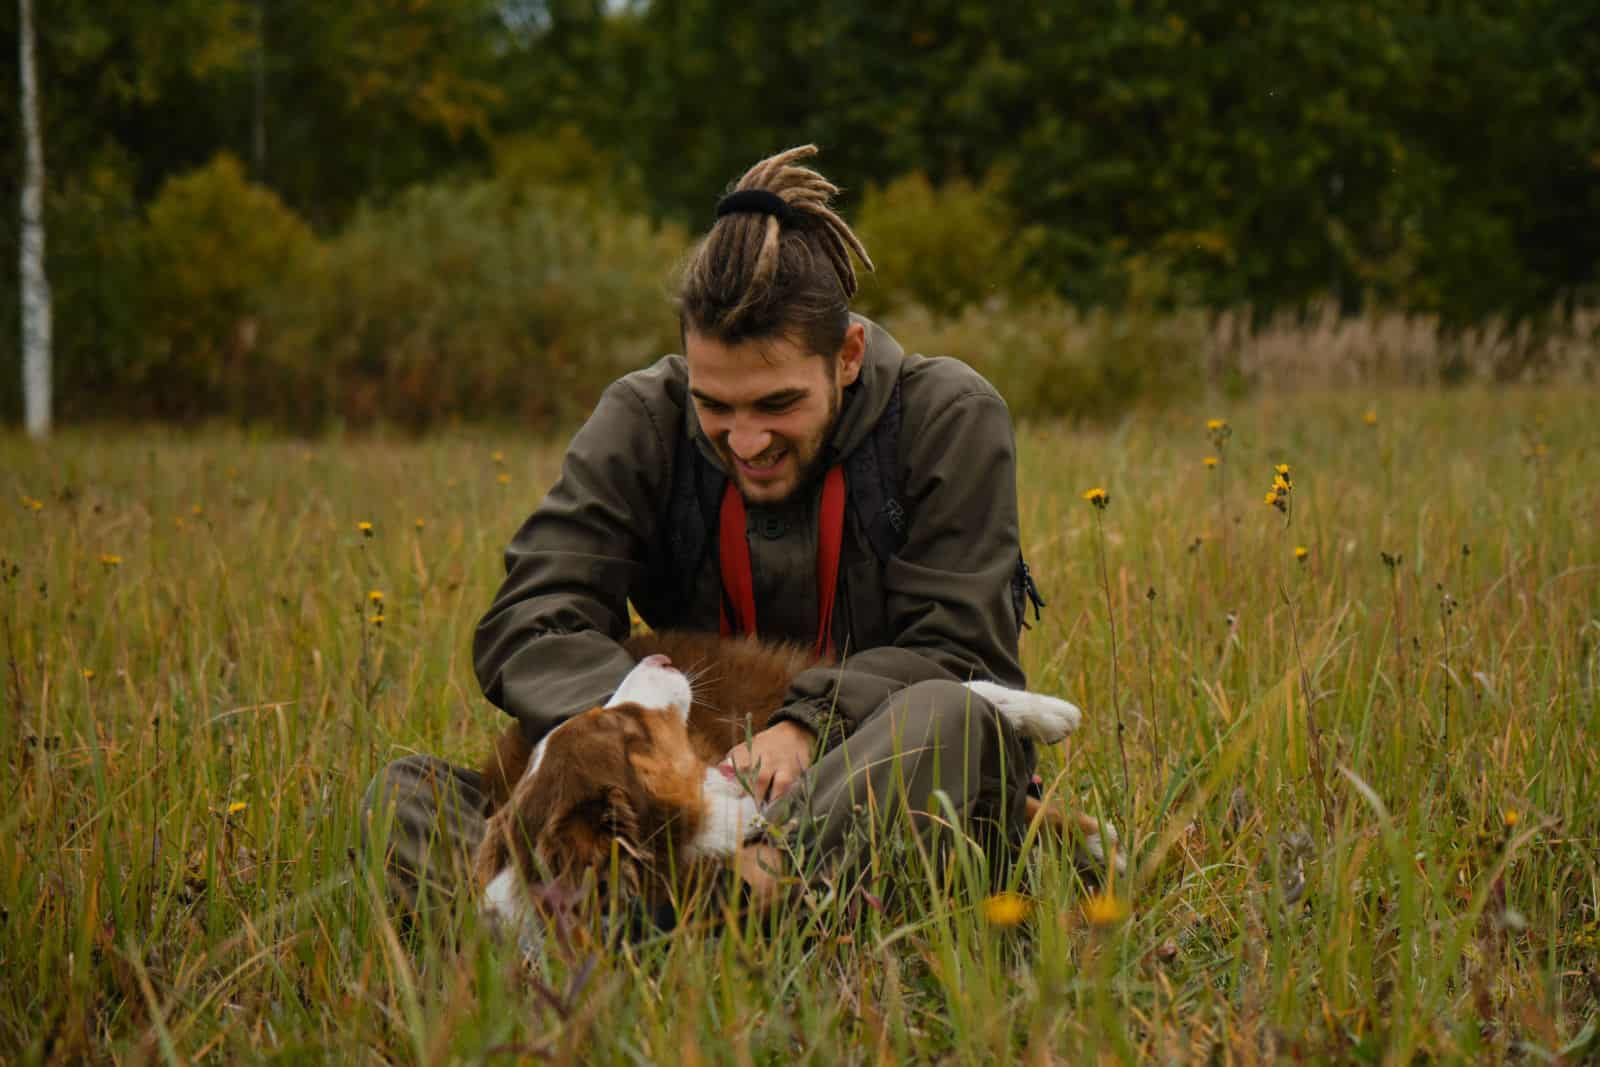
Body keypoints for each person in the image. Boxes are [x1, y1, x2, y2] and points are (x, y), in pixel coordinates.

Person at [364, 144, 1048, 913]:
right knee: (404, 797)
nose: (746, 440)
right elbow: (529, 622)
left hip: (856, 775)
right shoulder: (643, 418)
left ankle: (628, 916)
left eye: (777, 404)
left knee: (953, 718)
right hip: (671, 809)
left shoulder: (946, 416)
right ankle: (720, 907)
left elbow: (961, 654)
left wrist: (805, 724)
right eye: (715, 406)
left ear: (848, 356)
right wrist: (662, 742)